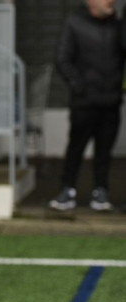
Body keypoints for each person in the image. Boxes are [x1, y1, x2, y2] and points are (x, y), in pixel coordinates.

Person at [49, 0, 124, 211]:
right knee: (76, 148)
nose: (111, 1)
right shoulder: (74, 23)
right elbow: (62, 59)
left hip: (111, 101)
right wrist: (79, 86)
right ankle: (67, 191)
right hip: (84, 102)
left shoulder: (118, 26)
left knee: (105, 150)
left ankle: (101, 192)